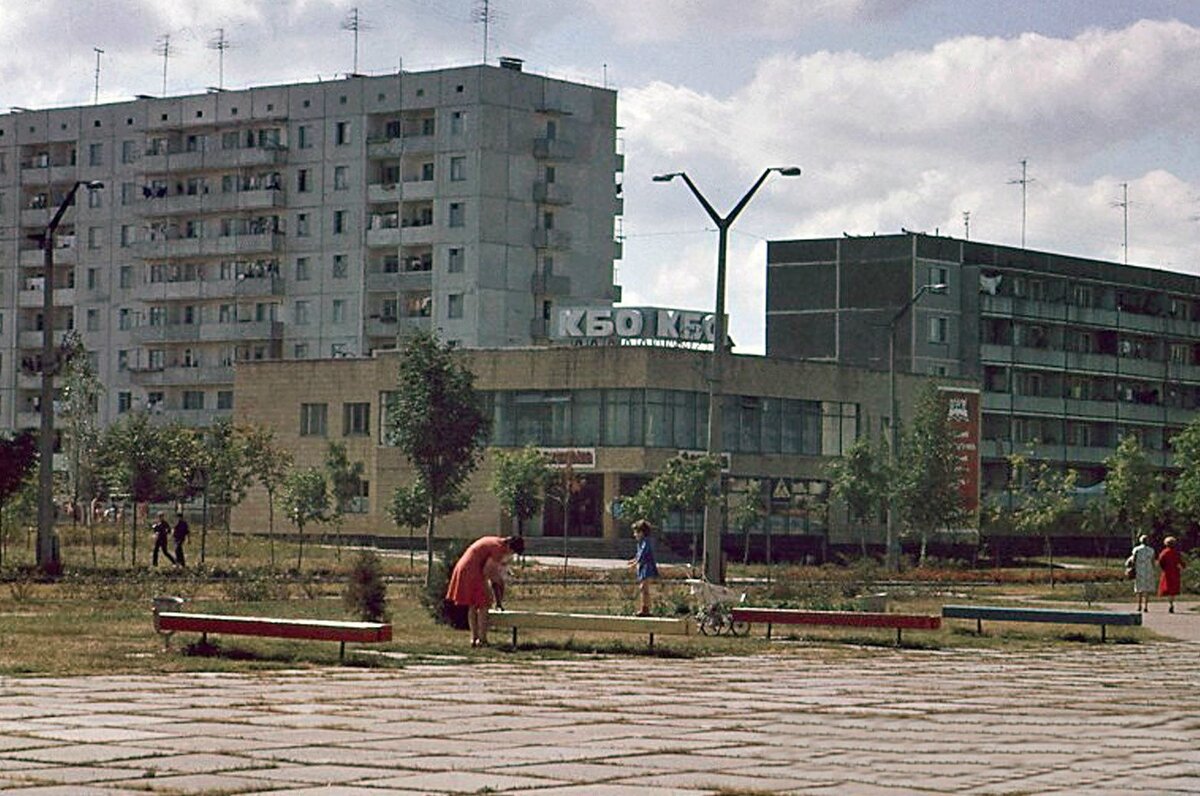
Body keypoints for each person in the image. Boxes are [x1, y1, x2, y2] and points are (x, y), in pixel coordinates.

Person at [445, 535, 525, 647]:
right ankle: (482, 639)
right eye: (513, 552)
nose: (511, 554)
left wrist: (498, 594)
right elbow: (488, 572)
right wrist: (499, 582)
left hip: (463, 567)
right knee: (484, 604)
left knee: (473, 604)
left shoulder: (495, 541)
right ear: (510, 547)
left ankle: (474, 638)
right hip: (473, 570)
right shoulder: (499, 549)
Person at [630, 519, 659, 617]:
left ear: (641, 533)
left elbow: (643, 553)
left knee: (644, 588)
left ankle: (646, 609)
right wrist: (634, 560)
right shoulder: (641, 542)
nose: (635, 535)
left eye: (636, 532)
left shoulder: (646, 541)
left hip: (647, 566)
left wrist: (636, 562)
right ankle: (644, 608)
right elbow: (639, 554)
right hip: (643, 567)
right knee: (642, 588)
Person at [1127, 535, 1156, 612]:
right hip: (1148, 570)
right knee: (1147, 589)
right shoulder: (1151, 550)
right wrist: (1153, 570)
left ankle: (1139, 605)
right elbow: (1153, 561)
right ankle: (1146, 606)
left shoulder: (1136, 549)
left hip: (1139, 570)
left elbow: (1133, 560)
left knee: (1139, 588)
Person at [1157, 536, 1186, 614]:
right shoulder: (1176, 552)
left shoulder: (1164, 552)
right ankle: (1171, 603)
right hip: (1175, 571)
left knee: (1168, 588)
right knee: (1173, 589)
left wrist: (1163, 568)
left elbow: (1160, 561)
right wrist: (1183, 566)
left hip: (1167, 572)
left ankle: (1170, 603)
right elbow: (1181, 561)